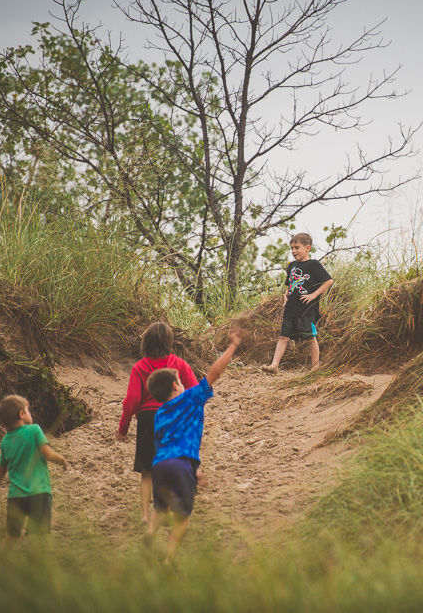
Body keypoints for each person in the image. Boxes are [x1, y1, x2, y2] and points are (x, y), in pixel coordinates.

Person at [145, 324, 243, 564]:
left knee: (160, 509)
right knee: (182, 517)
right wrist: (232, 346)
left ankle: (149, 533)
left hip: (159, 466)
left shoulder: (160, 414)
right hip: (181, 465)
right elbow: (215, 372)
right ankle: (169, 560)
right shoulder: (191, 398)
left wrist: (195, 468)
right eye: (180, 380)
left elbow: (160, 445)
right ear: (176, 385)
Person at [117, 321, 200, 525]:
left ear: (146, 342)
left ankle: (145, 515)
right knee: (171, 463)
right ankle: (167, 511)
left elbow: (132, 401)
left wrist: (123, 427)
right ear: (170, 341)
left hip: (147, 419)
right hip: (173, 417)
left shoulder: (140, 367)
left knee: (147, 472)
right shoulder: (178, 364)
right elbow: (195, 391)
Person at [0, 394, 68, 547]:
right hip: (39, 492)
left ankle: (0, 562)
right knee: (36, 535)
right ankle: (34, 567)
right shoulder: (34, 430)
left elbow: (2, 469)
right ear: (21, 414)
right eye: (28, 410)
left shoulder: (5, 441)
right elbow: (47, 454)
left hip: (15, 496)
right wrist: (61, 459)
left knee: (12, 536)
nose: (29, 413)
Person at [262, 232, 333, 373]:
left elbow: (329, 281)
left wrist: (314, 295)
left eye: (297, 247)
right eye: (292, 248)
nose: (293, 251)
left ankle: (315, 367)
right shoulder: (292, 265)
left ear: (307, 248)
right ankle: (274, 365)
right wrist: (286, 293)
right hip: (291, 308)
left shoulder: (313, 264)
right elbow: (289, 283)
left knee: (310, 337)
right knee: (283, 336)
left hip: (307, 309)